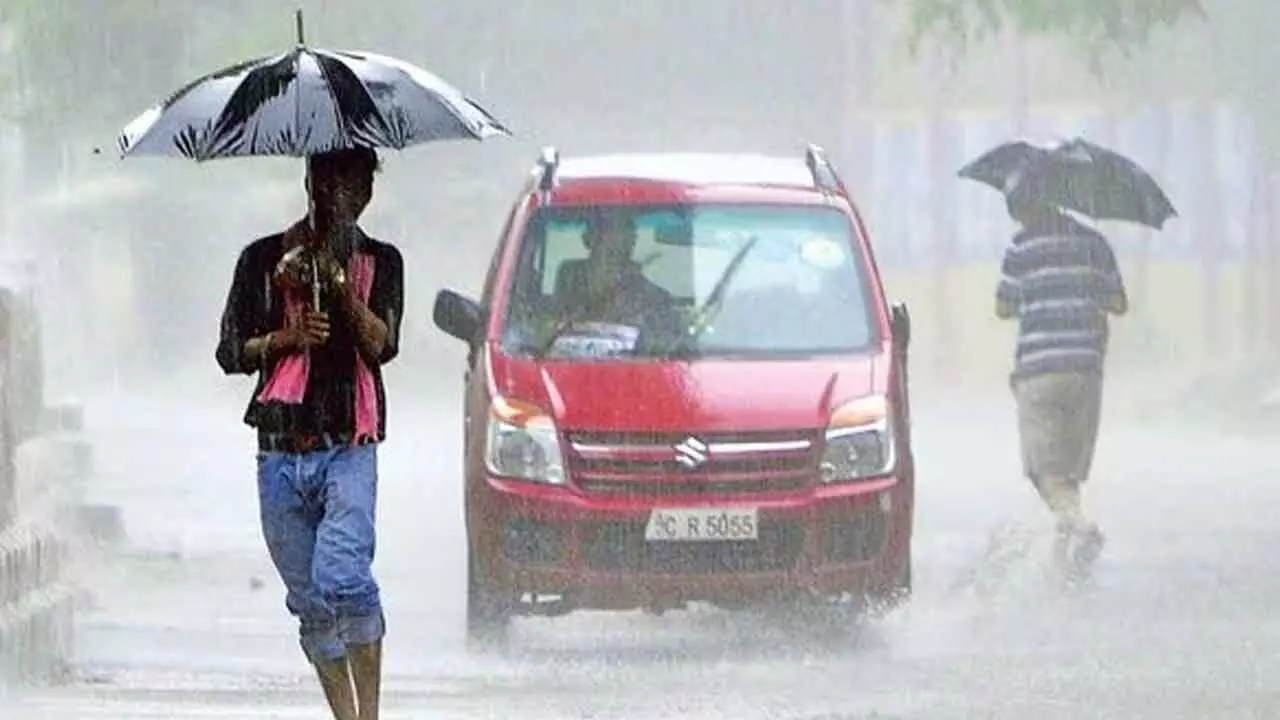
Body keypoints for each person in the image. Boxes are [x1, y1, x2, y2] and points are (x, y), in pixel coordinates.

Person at [215, 146, 404, 720]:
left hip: (348, 443)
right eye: (334, 181)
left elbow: (382, 343)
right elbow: (230, 351)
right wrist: (285, 337)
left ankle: (369, 714)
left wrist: (339, 286)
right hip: (278, 450)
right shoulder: (261, 261)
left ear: (369, 190)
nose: (346, 195)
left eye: (358, 183)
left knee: (343, 574)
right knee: (310, 601)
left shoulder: (382, 261)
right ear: (312, 182)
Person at [995, 191, 1126, 573]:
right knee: (1068, 469)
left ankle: (1081, 528)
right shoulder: (1094, 243)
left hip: (1039, 370)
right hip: (1086, 370)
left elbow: (1003, 307)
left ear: (1026, 208)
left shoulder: (1021, 248)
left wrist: (1036, 293)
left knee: (1043, 470)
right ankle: (1063, 556)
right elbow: (1118, 302)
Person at [549, 212, 683, 347]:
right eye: (607, 236)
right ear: (588, 240)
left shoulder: (655, 299)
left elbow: (665, 347)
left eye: (625, 239)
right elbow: (547, 329)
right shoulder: (570, 285)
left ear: (632, 243)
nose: (618, 243)